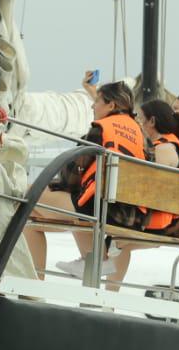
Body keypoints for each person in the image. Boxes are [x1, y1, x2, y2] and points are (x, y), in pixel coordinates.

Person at [27, 80, 143, 279]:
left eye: (97, 100)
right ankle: (89, 260)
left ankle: (93, 261)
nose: (92, 105)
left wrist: (54, 185)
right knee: (30, 221)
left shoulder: (100, 129)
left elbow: (74, 171)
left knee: (27, 194)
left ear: (111, 105)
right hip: (128, 211)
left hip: (100, 208)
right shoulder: (138, 132)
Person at [100, 99, 179, 289]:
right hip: (161, 218)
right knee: (116, 239)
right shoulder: (168, 144)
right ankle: (108, 292)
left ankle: (99, 277)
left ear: (151, 121)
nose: (138, 124)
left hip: (158, 221)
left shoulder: (163, 148)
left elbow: (145, 185)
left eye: (140, 119)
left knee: (106, 226)